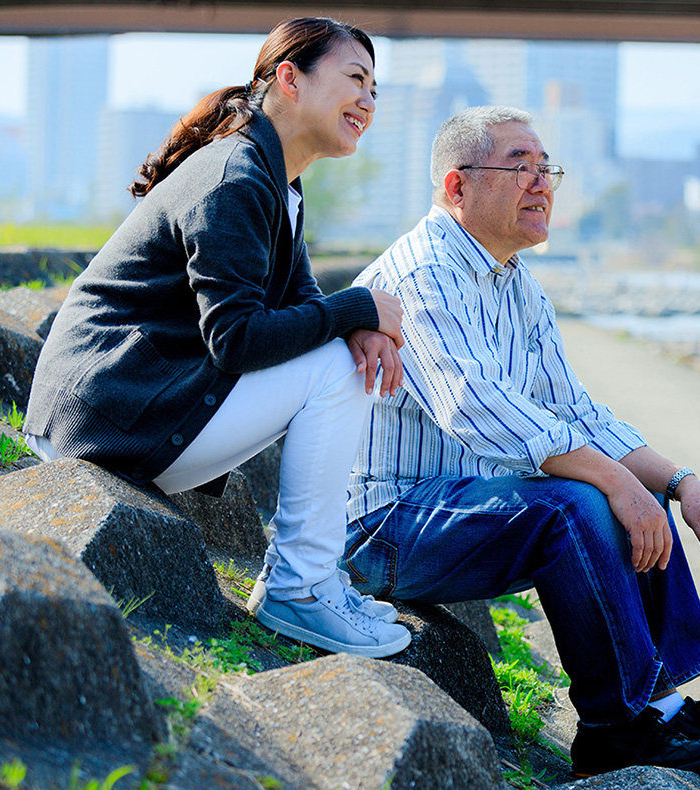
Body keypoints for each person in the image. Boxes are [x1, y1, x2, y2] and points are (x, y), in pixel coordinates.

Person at [342, 105, 700, 776]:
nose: (541, 183)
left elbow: (575, 414)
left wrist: (679, 484)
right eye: (519, 166)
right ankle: (615, 728)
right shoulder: (423, 274)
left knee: (622, 487)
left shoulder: (514, 283)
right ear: (456, 187)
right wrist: (612, 482)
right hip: (384, 527)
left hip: (458, 509)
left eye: (546, 168)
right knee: (579, 501)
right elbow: (479, 411)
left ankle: (660, 707)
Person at [23, 17, 410, 659]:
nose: (369, 101)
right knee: (336, 368)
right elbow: (237, 340)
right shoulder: (235, 177)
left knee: (340, 349)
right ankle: (300, 588)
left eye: (376, 88)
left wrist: (356, 320)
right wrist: (355, 311)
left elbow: (303, 300)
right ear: (289, 78)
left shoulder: (278, 180)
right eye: (356, 80)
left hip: (135, 400)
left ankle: (310, 579)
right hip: (107, 413)